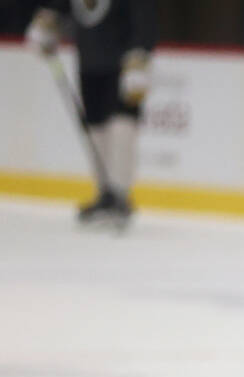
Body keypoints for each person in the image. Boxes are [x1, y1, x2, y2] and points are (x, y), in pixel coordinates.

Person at [25, 0, 156, 228]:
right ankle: (104, 192)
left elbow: (144, 17)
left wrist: (141, 52)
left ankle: (120, 193)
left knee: (122, 124)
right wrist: (47, 23)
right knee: (94, 126)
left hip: (124, 63)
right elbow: (60, 7)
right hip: (89, 62)